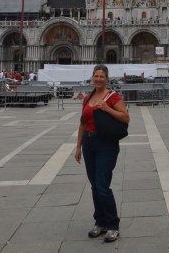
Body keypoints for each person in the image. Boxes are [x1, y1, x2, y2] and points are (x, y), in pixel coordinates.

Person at [75, 64, 130, 242]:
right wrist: (78, 146)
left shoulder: (113, 97)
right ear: (92, 77)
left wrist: (107, 109)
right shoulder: (88, 98)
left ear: (107, 79)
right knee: (94, 185)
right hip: (89, 144)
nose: (98, 79)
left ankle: (113, 225)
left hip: (106, 144)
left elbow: (126, 117)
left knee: (102, 185)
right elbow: (83, 123)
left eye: (101, 76)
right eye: (96, 76)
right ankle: (100, 222)